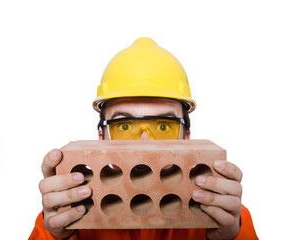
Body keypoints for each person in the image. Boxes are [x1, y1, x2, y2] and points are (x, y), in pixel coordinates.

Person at [29, 37, 258, 239]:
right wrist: (55, 236)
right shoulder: (71, 212)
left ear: (187, 137)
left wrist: (231, 237)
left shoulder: (223, 213)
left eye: (162, 126)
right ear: (101, 137)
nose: (144, 142)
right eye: (125, 125)